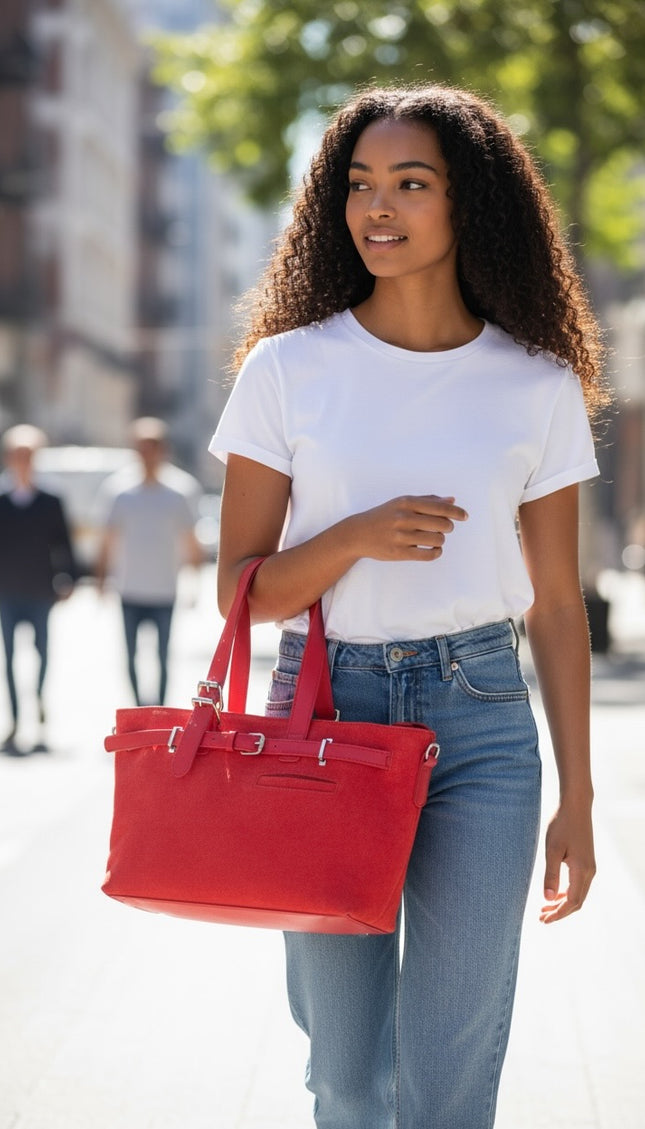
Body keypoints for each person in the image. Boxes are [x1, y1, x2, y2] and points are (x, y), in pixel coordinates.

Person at [211, 84, 608, 1129]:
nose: (377, 208)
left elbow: (559, 605)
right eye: (359, 185)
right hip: (325, 715)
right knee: (347, 1076)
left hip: (482, 721)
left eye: (411, 184)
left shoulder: (536, 381)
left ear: (467, 202)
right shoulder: (288, 370)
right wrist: (351, 537)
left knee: (448, 1083)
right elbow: (239, 594)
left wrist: (580, 794)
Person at [95, 417, 204, 706]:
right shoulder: (119, 491)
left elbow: (192, 542)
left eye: (152, 447)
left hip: (164, 590)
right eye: (141, 447)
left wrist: (194, 584)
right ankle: (138, 709)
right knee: (129, 656)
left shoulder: (180, 491)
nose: (147, 453)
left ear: (163, 449)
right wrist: (101, 581)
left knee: (163, 657)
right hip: (129, 589)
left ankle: (159, 711)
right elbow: (107, 540)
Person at [0, 424, 77, 751]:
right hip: (7, 591)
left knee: (42, 654)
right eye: (17, 454)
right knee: (10, 658)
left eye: (28, 455)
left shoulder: (50, 500)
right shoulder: (2, 500)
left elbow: (64, 543)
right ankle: (16, 720)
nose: (23, 461)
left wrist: (69, 578)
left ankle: (39, 701)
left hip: (40, 591)